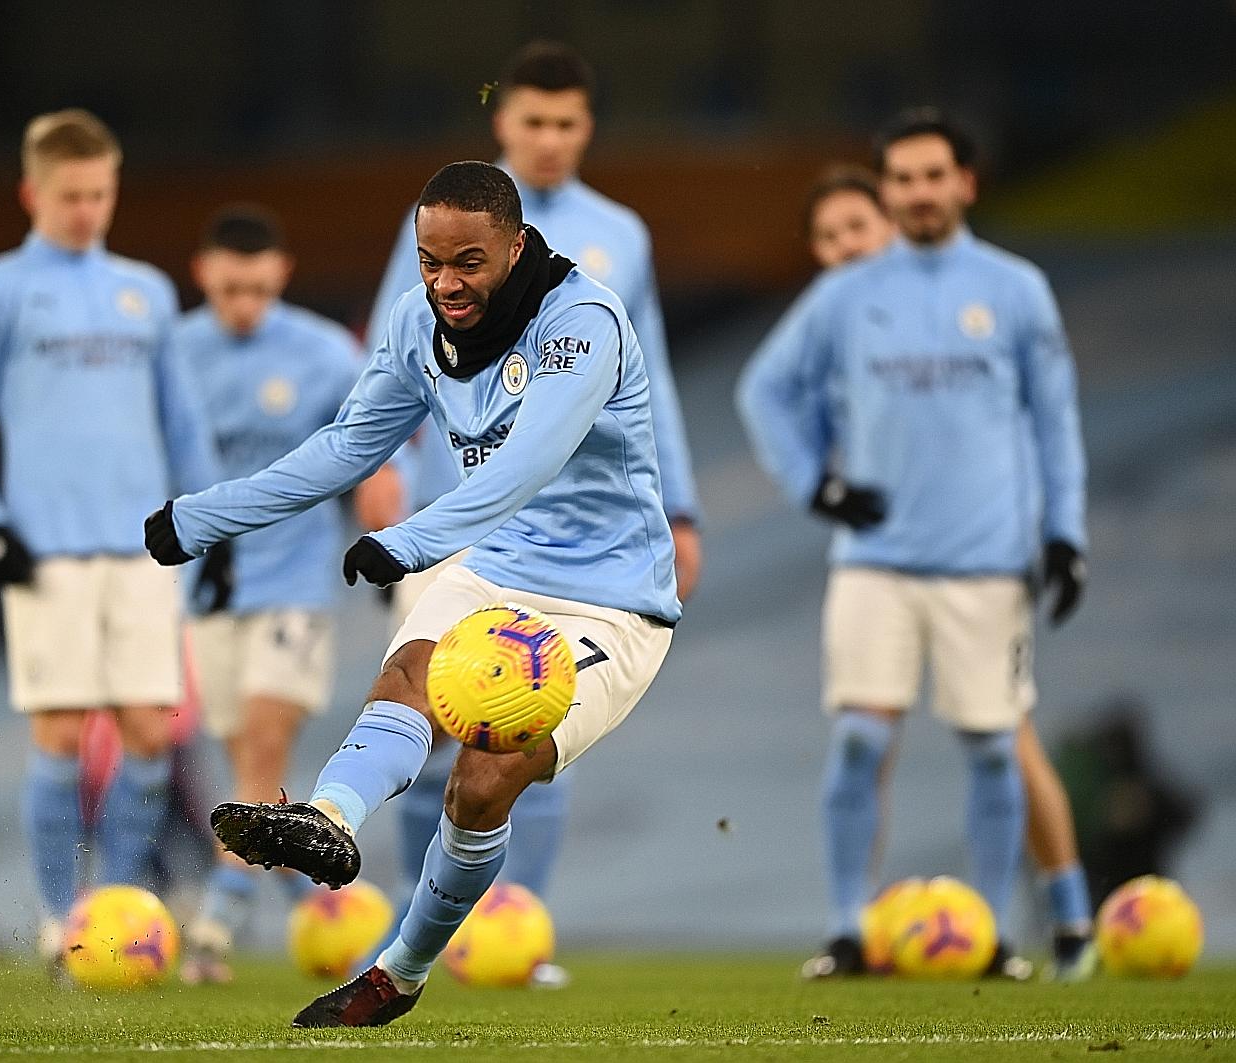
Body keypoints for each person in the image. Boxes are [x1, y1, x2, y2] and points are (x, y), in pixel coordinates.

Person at [145, 161, 679, 1026]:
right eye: (431, 262)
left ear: (516, 246)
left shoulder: (582, 320)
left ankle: (400, 971)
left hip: (609, 602)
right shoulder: (415, 322)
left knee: (483, 777)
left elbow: (525, 462)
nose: (445, 283)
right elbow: (347, 446)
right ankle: (325, 818)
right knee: (405, 678)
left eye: (468, 262)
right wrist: (208, 515)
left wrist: (411, 541)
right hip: (494, 568)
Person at [353, 42, 703, 987]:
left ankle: (516, 925)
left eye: (566, 123)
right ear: (502, 121)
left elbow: (652, 377)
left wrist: (678, 507)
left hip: (580, 539)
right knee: (428, 722)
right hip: (455, 515)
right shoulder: (450, 223)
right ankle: (416, 925)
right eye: (533, 121)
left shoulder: (619, 235)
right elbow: (394, 342)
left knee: (526, 728)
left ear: (586, 128)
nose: (549, 138)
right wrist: (381, 461)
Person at [735, 109, 1089, 983]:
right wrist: (815, 484)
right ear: (887, 189)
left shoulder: (1015, 289)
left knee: (995, 747)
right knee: (859, 737)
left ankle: (994, 934)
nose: (919, 192)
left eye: (934, 176)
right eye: (902, 178)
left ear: (965, 182)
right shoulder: (845, 295)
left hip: (987, 565)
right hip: (875, 562)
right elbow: (764, 389)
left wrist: (1064, 534)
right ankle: (847, 929)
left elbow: (1056, 421)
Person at [0, 109, 211, 975]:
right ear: (33, 193)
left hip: (142, 548)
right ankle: (59, 919)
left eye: (100, 193)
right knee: (58, 730)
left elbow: (183, 422)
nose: (88, 210)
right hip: (46, 550)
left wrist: (213, 520)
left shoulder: (145, 291)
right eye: (72, 195)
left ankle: (114, 909)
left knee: (149, 734)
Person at [166, 205, 362, 984]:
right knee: (248, 776)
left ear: (281, 273)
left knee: (261, 746)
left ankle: (214, 930)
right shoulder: (172, 355)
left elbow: (374, 438)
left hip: (294, 585)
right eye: (230, 289)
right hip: (209, 590)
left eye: (258, 287)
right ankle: (322, 909)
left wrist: (386, 489)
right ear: (203, 274)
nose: (245, 303)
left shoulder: (324, 354)